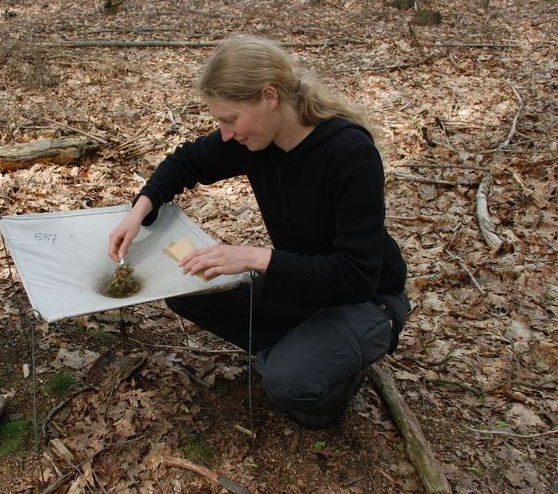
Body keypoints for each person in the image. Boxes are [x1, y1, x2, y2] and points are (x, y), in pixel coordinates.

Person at [107, 35, 409, 429]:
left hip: (368, 301)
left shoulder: (350, 153)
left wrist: (254, 258)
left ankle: (324, 370)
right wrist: (139, 210)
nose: (226, 134)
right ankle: (306, 345)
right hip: (303, 288)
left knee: (288, 383)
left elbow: (356, 275)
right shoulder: (256, 139)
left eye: (229, 119)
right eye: (220, 122)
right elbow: (186, 162)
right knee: (183, 290)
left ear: (270, 96)